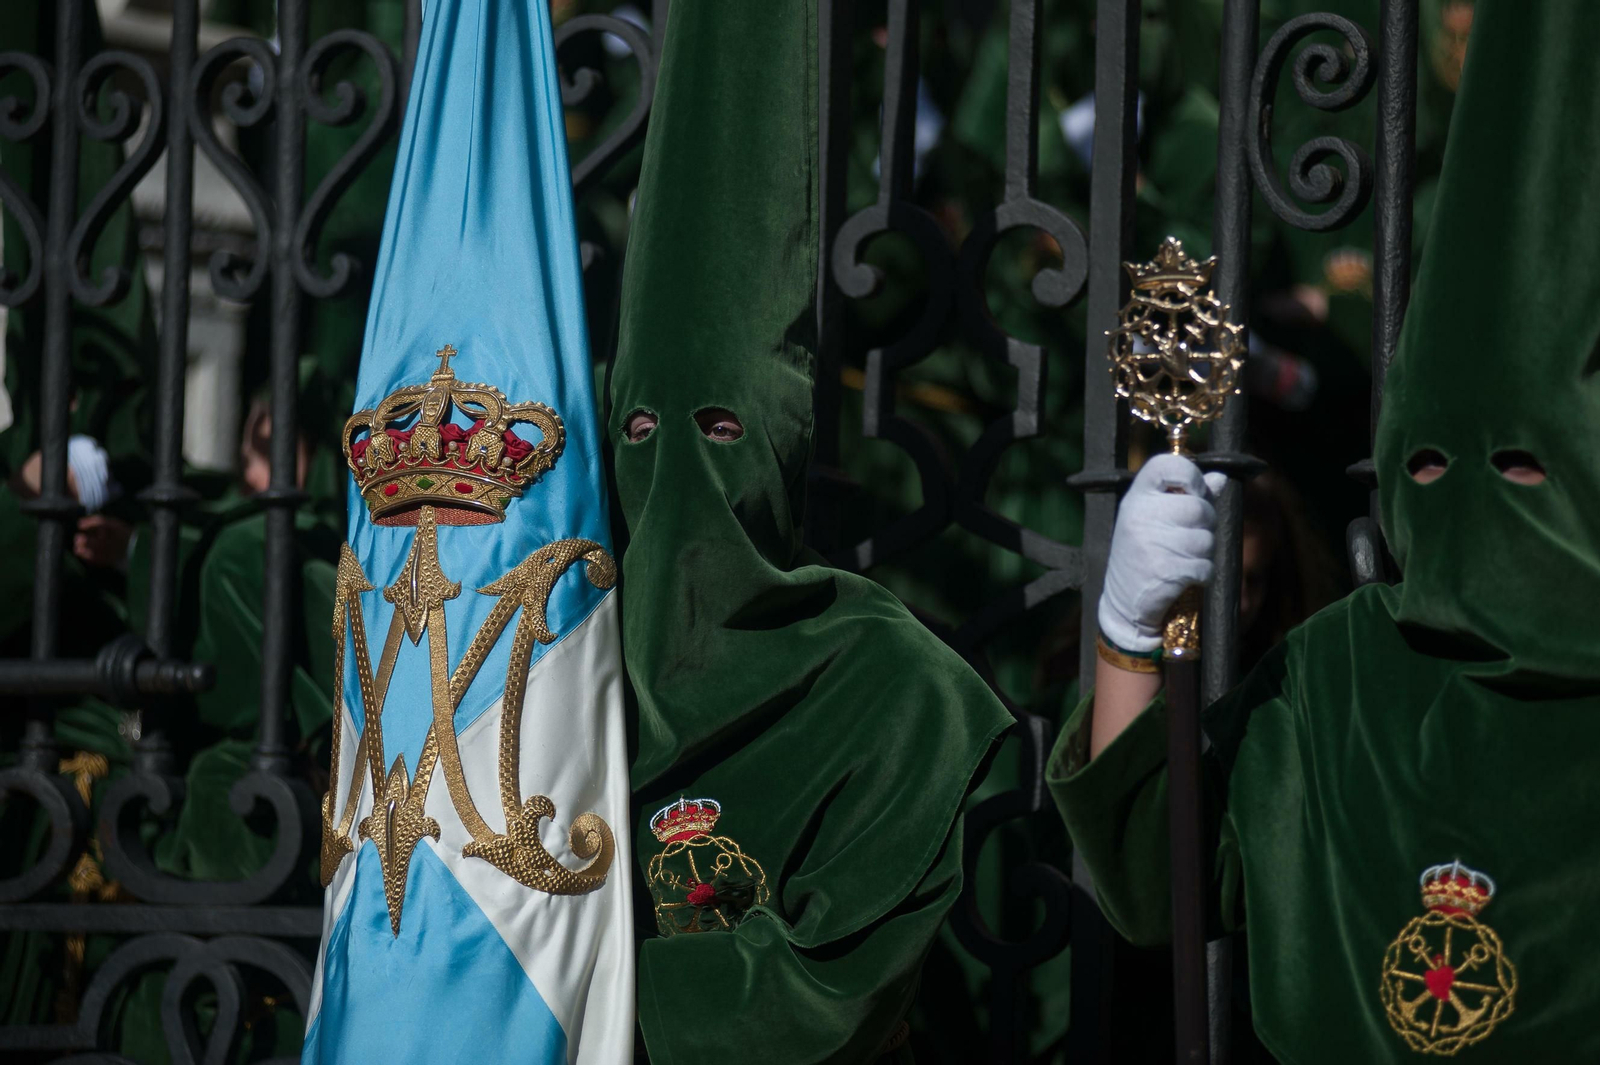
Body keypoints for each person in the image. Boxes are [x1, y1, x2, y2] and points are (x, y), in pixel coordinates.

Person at [1049, 0, 1600, 1058]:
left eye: (1522, 466)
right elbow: (1155, 873)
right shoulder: (1340, 673)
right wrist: (1128, 633)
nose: (1471, 500)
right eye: (1429, 464)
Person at [606, 0, 1012, 1060]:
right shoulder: (546, 640)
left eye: (724, 428)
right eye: (645, 428)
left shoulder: (892, 687)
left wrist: (583, 987)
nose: (686, 469)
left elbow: (827, 992)